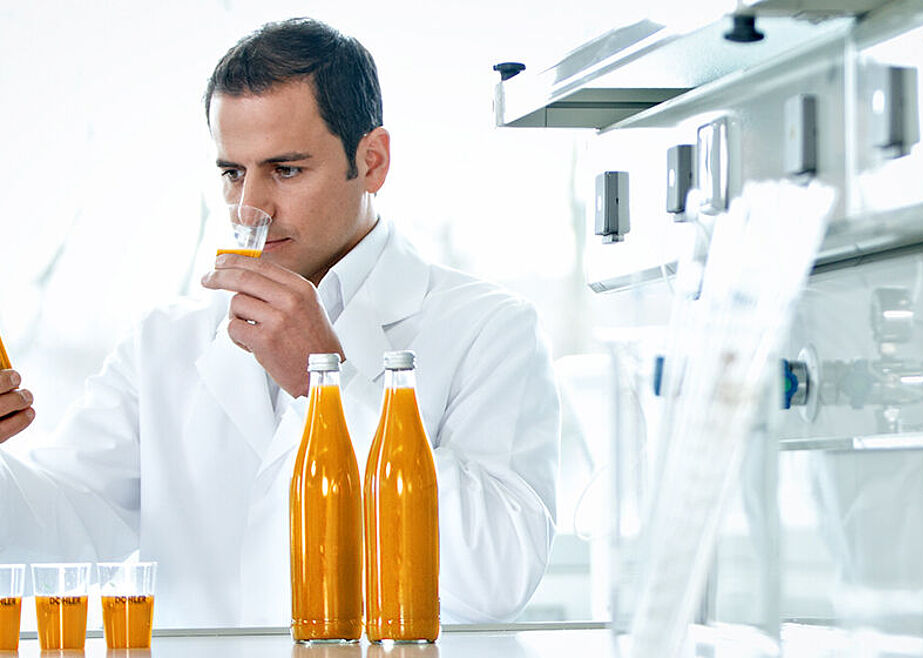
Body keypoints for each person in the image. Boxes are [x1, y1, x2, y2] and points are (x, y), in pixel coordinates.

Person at [0, 17, 560, 628]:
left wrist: (325, 384)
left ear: (372, 161)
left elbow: (498, 576)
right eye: (233, 173)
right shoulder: (165, 342)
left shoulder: (489, 329)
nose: (251, 209)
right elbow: (63, 528)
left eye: (286, 170)